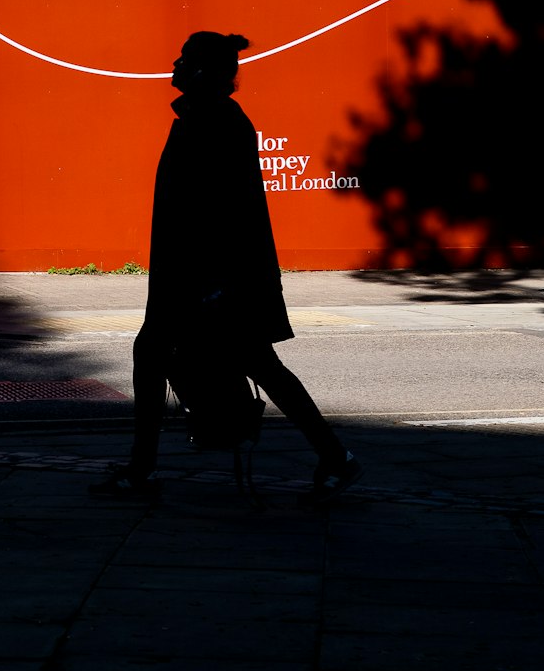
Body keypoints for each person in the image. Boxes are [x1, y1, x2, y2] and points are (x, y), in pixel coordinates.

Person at [91, 30, 361, 501]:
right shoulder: (203, 118)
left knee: (249, 363)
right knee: (227, 361)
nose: (173, 66)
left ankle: (143, 468)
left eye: (183, 60)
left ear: (200, 72)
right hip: (196, 278)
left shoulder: (218, 122)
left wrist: (216, 285)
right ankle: (334, 458)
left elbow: (228, 212)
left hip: (212, 281)